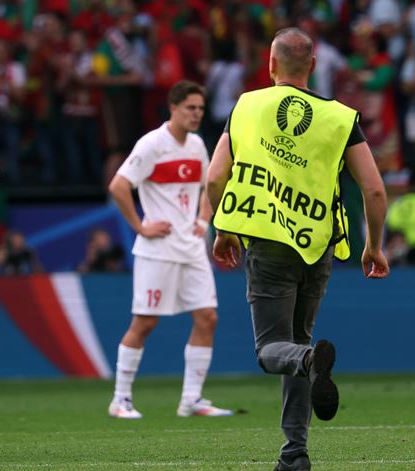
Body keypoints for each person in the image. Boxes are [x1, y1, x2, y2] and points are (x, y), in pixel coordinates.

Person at [206, 28, 389, 471]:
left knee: (274, 350)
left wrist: (224, 229)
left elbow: (214, 179)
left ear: (270, 64)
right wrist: (375, 247)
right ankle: (294, 453)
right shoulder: (340, 117)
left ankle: (308, 363)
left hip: (267, 245)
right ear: (311, 65)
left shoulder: (247, 106)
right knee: (299, 340)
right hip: (317, 248)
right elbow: (375, 191)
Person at [106, 80, 233, 420]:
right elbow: (119, 186)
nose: (196, 114)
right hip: (157, 248)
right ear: (173, 108)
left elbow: (210, 184)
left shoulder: (196, 145)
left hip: (191, 246)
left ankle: (191, 400)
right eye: (190, 108)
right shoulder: (152, 145)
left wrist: (204, 221)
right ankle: (120, 399)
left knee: (207, 317)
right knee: (145, 322)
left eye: (201, 109)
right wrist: (141, 226)